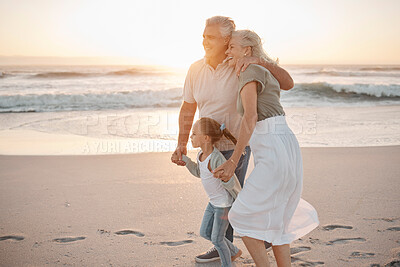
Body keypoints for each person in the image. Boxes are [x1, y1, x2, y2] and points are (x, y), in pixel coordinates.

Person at [171, 15, 294, 262]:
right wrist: (181, 143)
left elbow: (286, 82)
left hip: (237, 144)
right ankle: (248, 240)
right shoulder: (195, 68)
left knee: (227, 199)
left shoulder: (240, 64)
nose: (205, 41)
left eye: (212, 37)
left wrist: (255, 59)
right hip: (207, 144)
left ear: (228, 41)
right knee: (224, 197)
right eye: (204, 36)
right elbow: (187, 108)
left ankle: (227, 247)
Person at [213, 29, 319, 267]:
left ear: (246, 50)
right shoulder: (261, 69)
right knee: (279, 219)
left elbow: (250, 118)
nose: (227, 51)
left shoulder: (250, 70)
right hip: (285, 144)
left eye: (231, 47)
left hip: (272, 146)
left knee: (240, 214)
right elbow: (287, 84)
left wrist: (233, 161)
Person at [171, 117, 242, 266]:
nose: (191, 137)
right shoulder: (201, 155)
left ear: (206, 138)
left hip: (223, 205)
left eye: (194, 134)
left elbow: (231, 181)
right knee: (204, 232)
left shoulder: (215, 158)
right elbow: (199, 172)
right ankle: (234, 251)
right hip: (213, 203)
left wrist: (224, 178)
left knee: (217, 239)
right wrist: (186, 160)